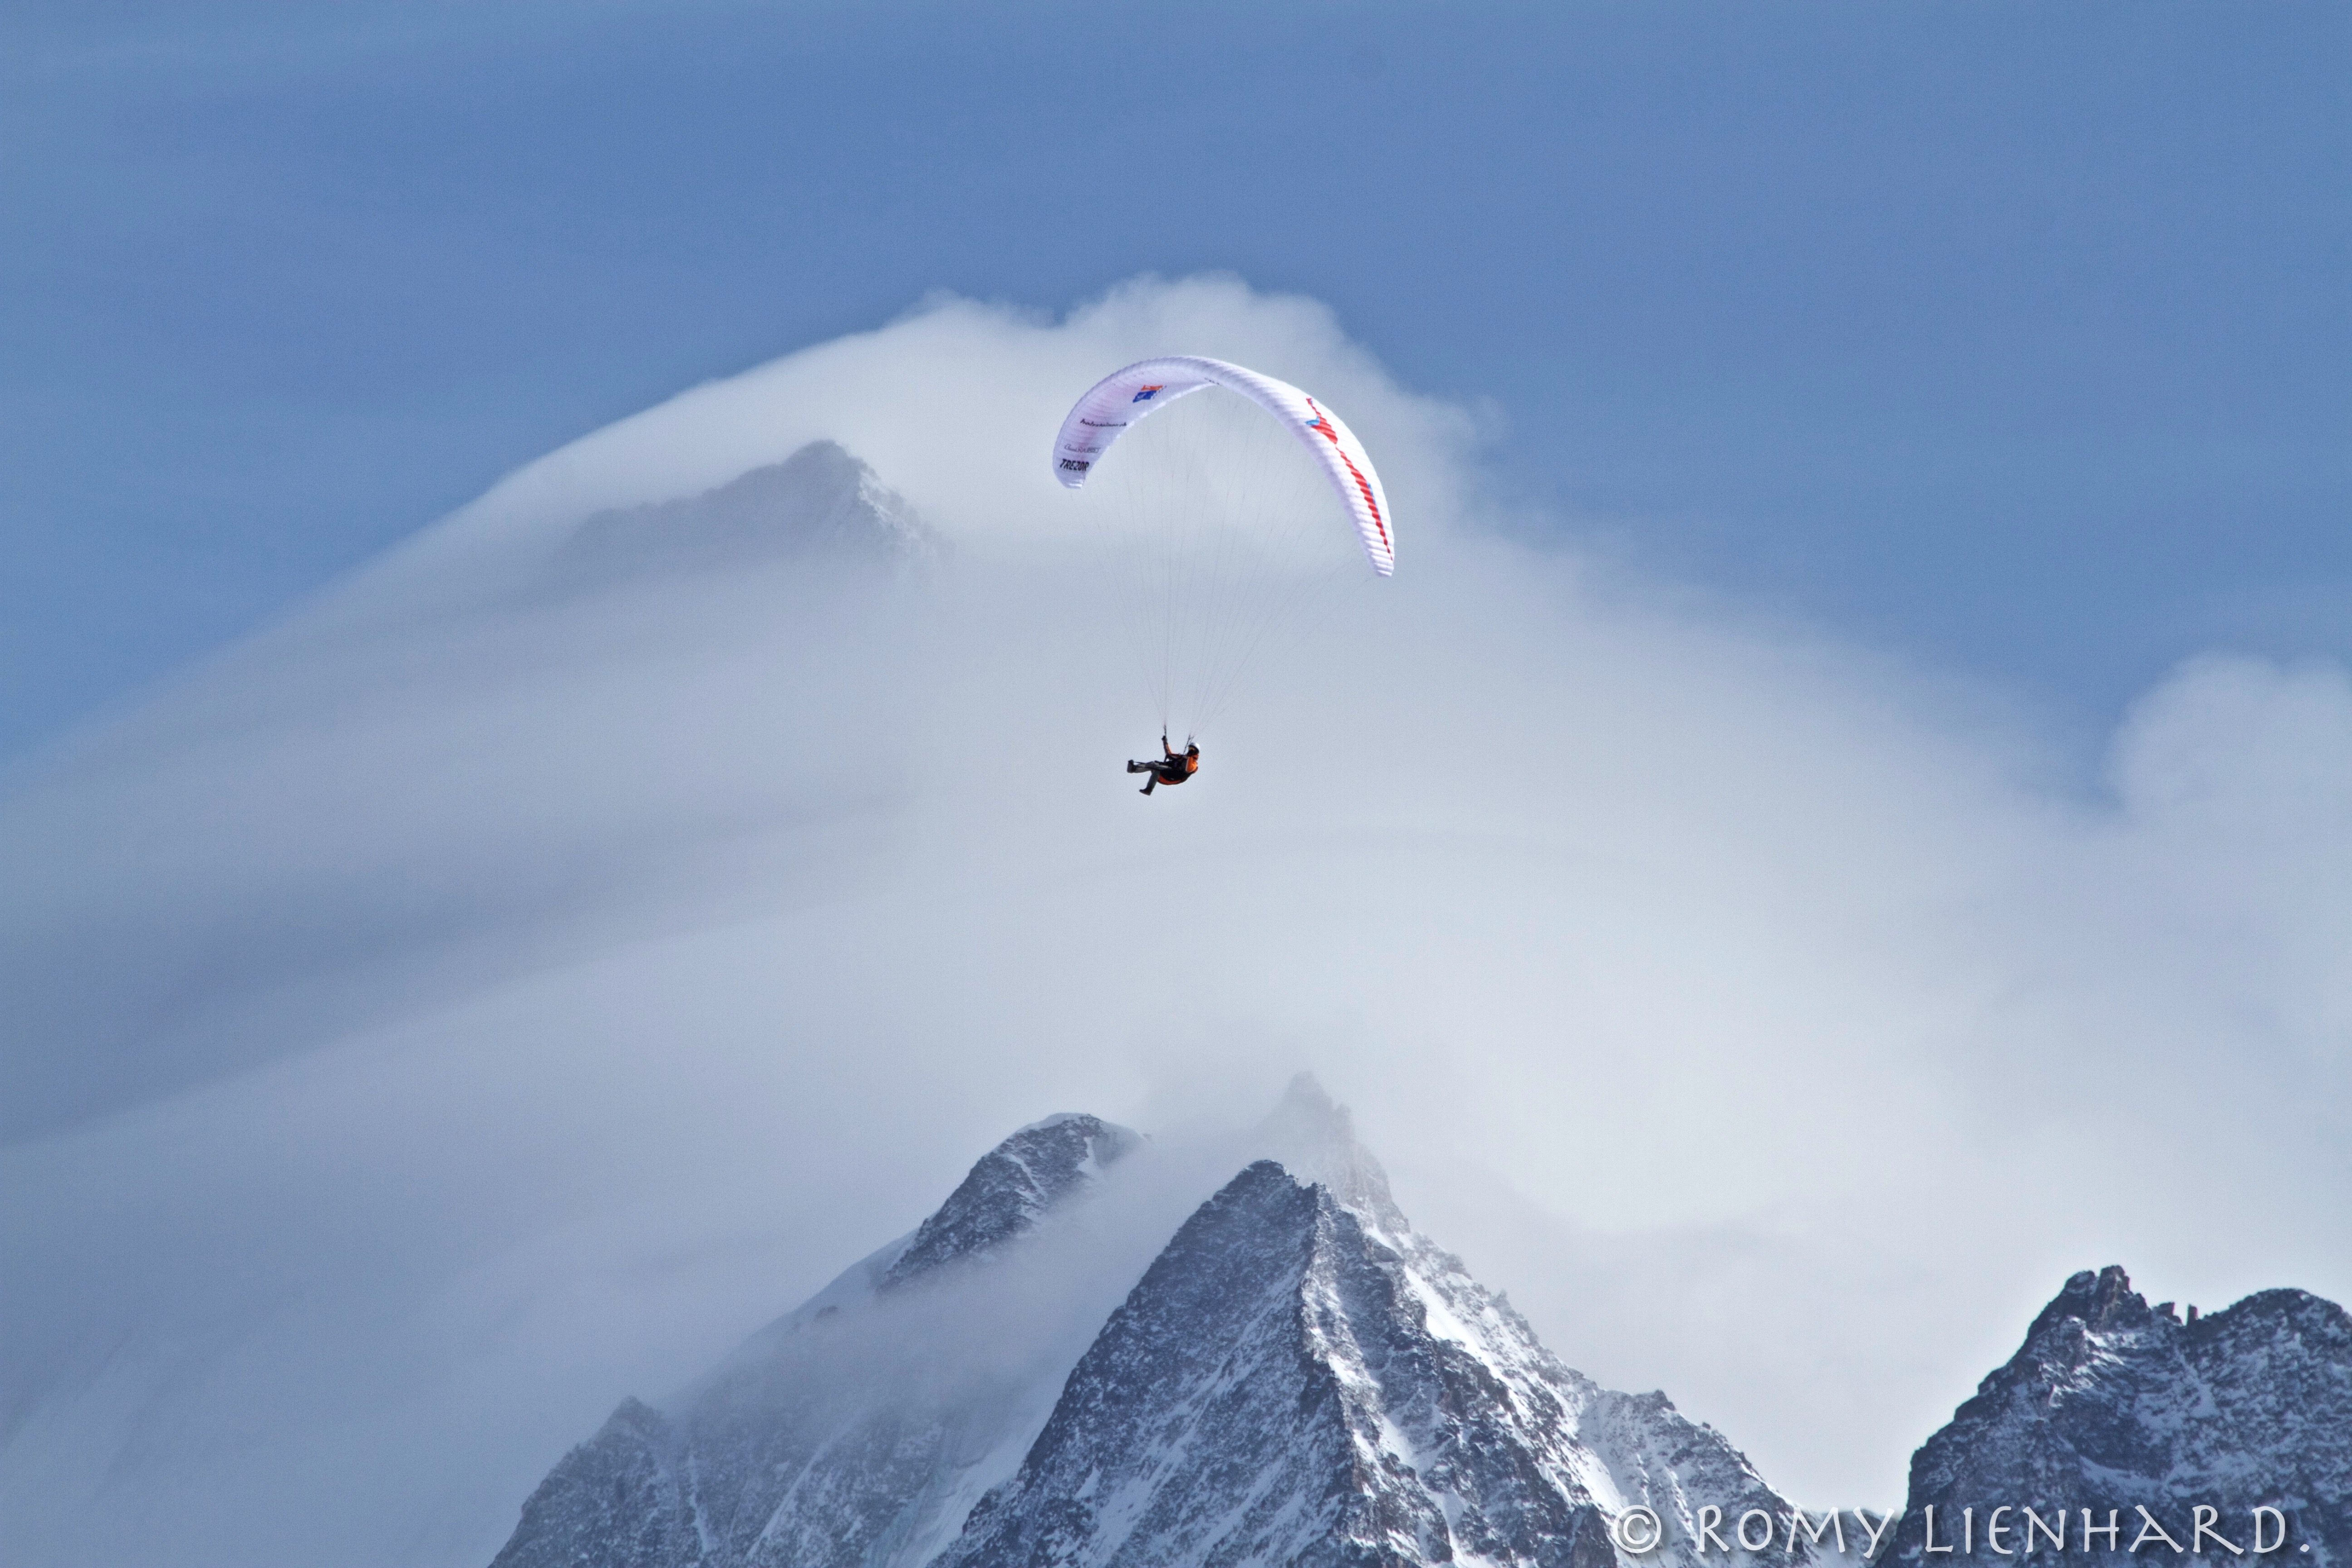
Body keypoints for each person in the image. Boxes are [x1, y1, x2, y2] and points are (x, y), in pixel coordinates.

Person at [1126, 736, 1200, 795]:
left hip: (1173, 778)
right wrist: (1165, 742)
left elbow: (1187, 769)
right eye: (1190, 748)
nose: (1191, 750)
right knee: (1153, 764)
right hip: (1169, 772)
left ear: (1196, 752)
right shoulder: (1183, 758)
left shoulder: (1194, 764)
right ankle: (1134, 769)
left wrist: (1190, 758)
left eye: (1193, 749)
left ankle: (1149, 790)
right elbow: (1169, 755)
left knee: (1158, 769)